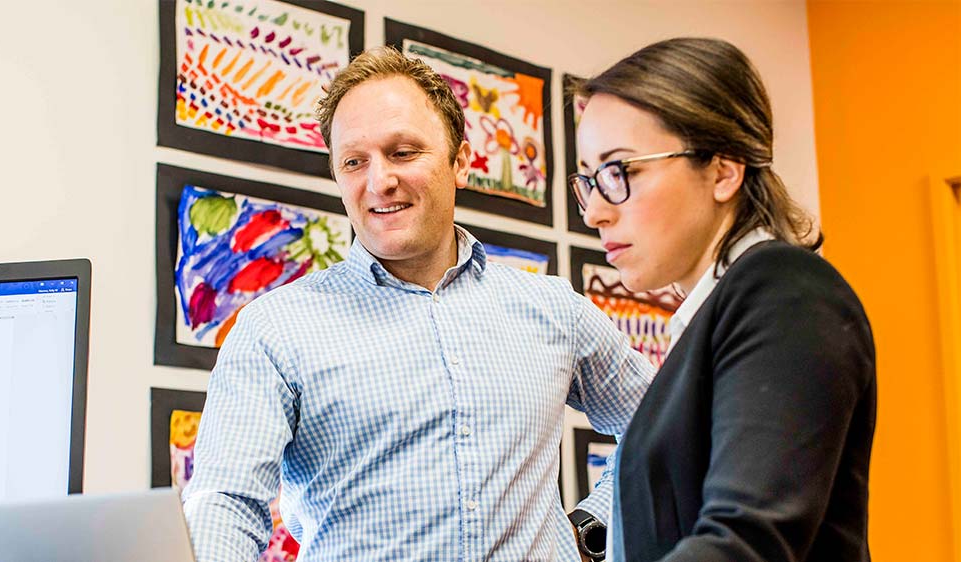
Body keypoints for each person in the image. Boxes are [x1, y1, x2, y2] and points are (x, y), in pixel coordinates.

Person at [182, 46, 655, 562]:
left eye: (403, 152)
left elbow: (662, 422)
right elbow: (225, 502)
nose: (379, 181)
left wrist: (593, 528)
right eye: (354, 162)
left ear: (460, 162)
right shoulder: (273, 329)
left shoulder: (552, 308)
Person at [570, 37, 876, 561]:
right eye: (589, 180)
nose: (595, 211)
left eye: (620, 172)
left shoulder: (785, 292)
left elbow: (745, 541)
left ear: (724, 170)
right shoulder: (713, 316)